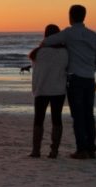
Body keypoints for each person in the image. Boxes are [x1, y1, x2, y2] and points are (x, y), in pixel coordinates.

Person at [42, 5, 96, 159]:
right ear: (84, 16)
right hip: (90, 78)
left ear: (70, 16)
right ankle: (91, 149)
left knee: (78, 115)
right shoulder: (93, 35)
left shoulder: (69, 33)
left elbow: (48, 41)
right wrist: (91, 69)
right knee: (89, 114)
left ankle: (81, 149)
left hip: (75, 78)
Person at [28, 24, 68, 158]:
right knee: (57, 119)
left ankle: (36, 150)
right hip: (58, 89)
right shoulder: (64, 52)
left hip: (42, 89)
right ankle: (54, 151)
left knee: (38, 119)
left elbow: (37, 71)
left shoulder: (37, 52)